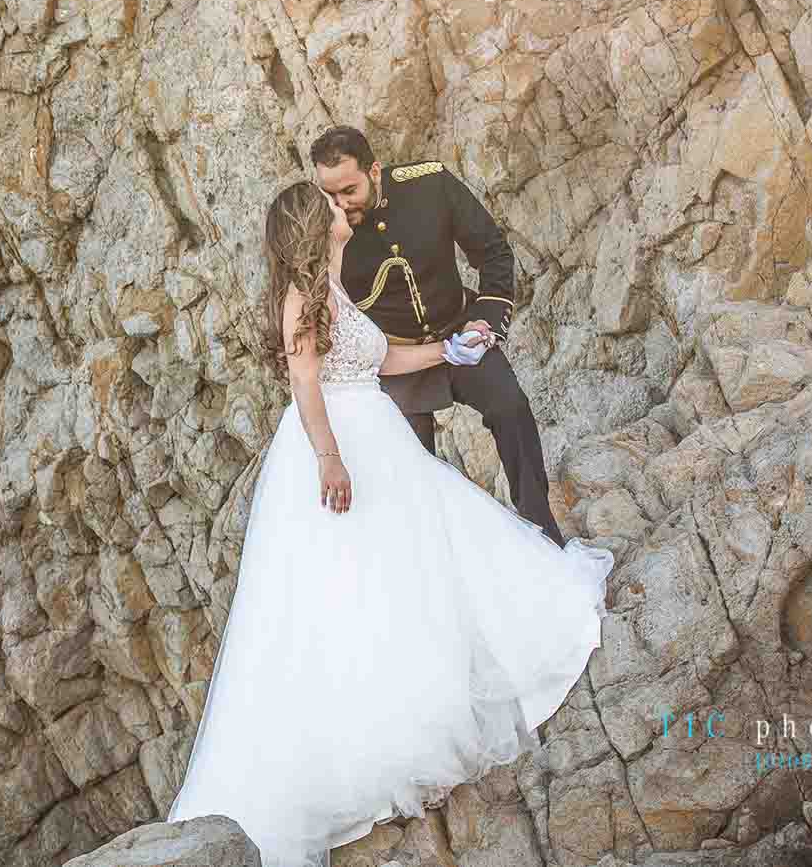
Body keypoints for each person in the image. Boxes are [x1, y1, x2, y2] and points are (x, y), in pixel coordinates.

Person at [164, 180, 613, 867]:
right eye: (328, 203)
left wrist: (450, 353)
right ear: (315, 224)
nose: (342, 207)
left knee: (418, 559)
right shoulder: (300, 299)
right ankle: (388, 737)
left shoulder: (330, 284)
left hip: (372, 433)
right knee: (360, 584)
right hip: (340, 448)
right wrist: (329, 460)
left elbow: (380, 360)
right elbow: (305, 381)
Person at [309, 126, 565, 545]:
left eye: (349, 190)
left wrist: (482, 321)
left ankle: (543, 532)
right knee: (414, 474)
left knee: (511, 408)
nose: (340, 205)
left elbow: (494, 252)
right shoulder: (326, 231)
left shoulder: (430, 184)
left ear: (374, 171)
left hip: (459, 332)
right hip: (396, 364)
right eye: (330, 194)